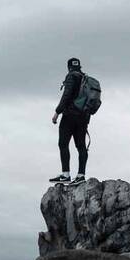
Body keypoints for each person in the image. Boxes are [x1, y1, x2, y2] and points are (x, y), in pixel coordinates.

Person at [49, 58, 89, 186]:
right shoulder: (85, 78)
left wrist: (57, 112)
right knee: (81, 146)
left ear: (69, 67)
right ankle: (81, 175)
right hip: (84, 116)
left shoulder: (71, 76)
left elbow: (66, 95)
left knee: (63, 143)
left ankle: (65, 175)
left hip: (70, 115)